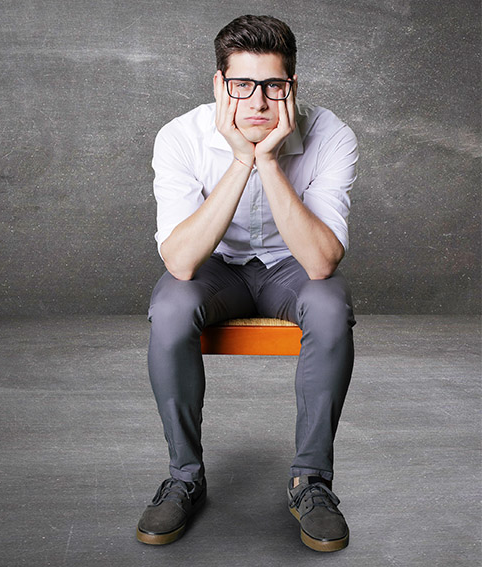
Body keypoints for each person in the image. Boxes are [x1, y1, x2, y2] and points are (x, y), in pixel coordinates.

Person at [136, 15, 358, 553]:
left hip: (292, 269)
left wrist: (271, 162)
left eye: (273, 86)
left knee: (330, 305)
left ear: (292, 86)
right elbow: (183, 262)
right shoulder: (180, 137)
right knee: (170, 306)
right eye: (241, 85)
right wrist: (242, 160)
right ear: (219, 86)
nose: (257, 102)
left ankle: (312, 482)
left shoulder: (332, 135)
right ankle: (184, 476)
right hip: (217, 270)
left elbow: (323, 261)